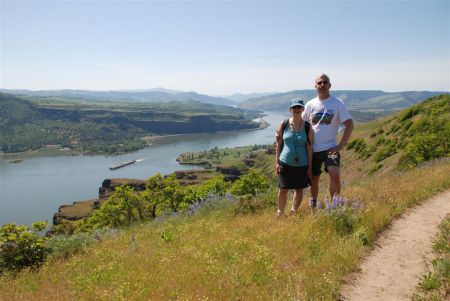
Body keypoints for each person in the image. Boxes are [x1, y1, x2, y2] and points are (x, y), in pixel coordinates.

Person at [302, 74, 354, 207]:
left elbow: (349, 124)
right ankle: (313, 205)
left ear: (329, 85)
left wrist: (341, 145)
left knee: (334, 174)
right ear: (315, 86)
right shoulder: (310, 104)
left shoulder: (337, 103)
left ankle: (335, 205)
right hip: (312, 149)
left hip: (331, 148)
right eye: (319, 83)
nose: (322, 85)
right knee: (313, 178)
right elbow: (301, 124)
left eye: (325, 82)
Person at [275, 98, 314, 216]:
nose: (296, 110)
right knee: (283, 189)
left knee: (299, 189)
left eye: (299, 107)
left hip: (302, 164)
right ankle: (280, 212)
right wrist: (276, 162)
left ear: (302, 109)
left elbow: (309, 148)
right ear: (290, 109)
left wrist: (310, 166)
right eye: (294, 108)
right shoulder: (284, 123)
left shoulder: (308, 127)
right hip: (285, 162)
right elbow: (279, 144)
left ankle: (293, 211)